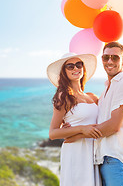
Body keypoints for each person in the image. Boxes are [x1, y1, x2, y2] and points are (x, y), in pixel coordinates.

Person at [65, 42, 123, 186]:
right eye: (106, 58)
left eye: (115, 58)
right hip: (103, 160)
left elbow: (113, 126)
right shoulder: (109, 87)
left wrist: (77, 135)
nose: (110, 61)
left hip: (116, 159)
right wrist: (71, 125)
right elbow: (98, 116)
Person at [47, 52, 102, 186]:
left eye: (79, 65)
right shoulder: (64, 97)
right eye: (70, 66)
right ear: (64, 72)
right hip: (76, 151)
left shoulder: (92, 97)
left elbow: (110, 111)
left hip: (94, 151)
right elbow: (53, 133)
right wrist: (82, 129)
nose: (76, 69)